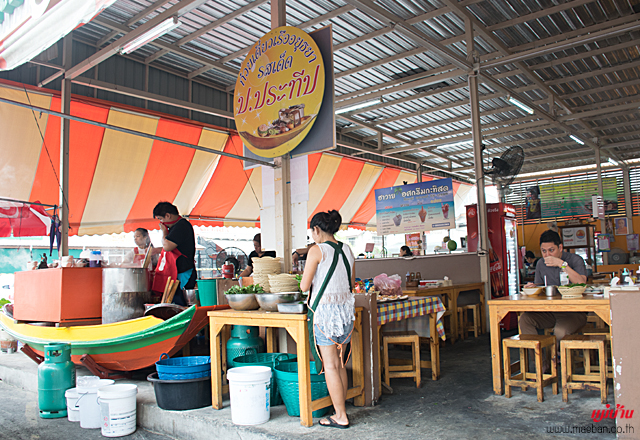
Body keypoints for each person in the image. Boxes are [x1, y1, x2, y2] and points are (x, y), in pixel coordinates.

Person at [300, 210, 355, 429]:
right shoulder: (348, 250)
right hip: (345, 315)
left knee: (330, 366)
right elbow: (350, 282)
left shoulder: (317, 251)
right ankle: (340, 410)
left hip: (325, 316)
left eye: (312, 231)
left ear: (316, 230)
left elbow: (304, 286)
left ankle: (340, 415)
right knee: (340, 364)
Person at [520, 230, 588, 345]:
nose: (547, 255)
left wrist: (561, 264)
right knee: (525, 319)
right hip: (549, 311)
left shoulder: (575, 260)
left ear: (560, 247)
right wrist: (532, 287)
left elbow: (581, 283)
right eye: (544, 251)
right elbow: (540, 287)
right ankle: (541, 360)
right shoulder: (541, 264)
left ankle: (556, 360)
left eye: (551, 250)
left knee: (560, 332)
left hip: (574, 312)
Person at [152, 202, 196, 306]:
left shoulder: (181, 226)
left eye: (161, 219)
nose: (161, 223)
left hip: (183, 273)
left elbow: (167, 246)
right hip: (176, 273)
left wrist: (164, 232)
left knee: (180, 305)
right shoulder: (174, 227)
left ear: (168, 215)